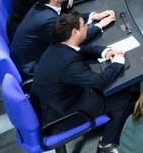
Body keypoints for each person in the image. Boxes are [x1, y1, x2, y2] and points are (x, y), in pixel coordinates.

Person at [30, 11, 132, 148]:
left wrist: (105, 52)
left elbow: (79, 50)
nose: (87, 28)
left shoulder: (57, 45)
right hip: (63, 116)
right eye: (84, 25)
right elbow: (98, 81)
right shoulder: (69, 63)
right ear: (75, 32)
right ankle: (108, 143)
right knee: (126, 99)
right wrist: (118, 62)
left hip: (53, 104)